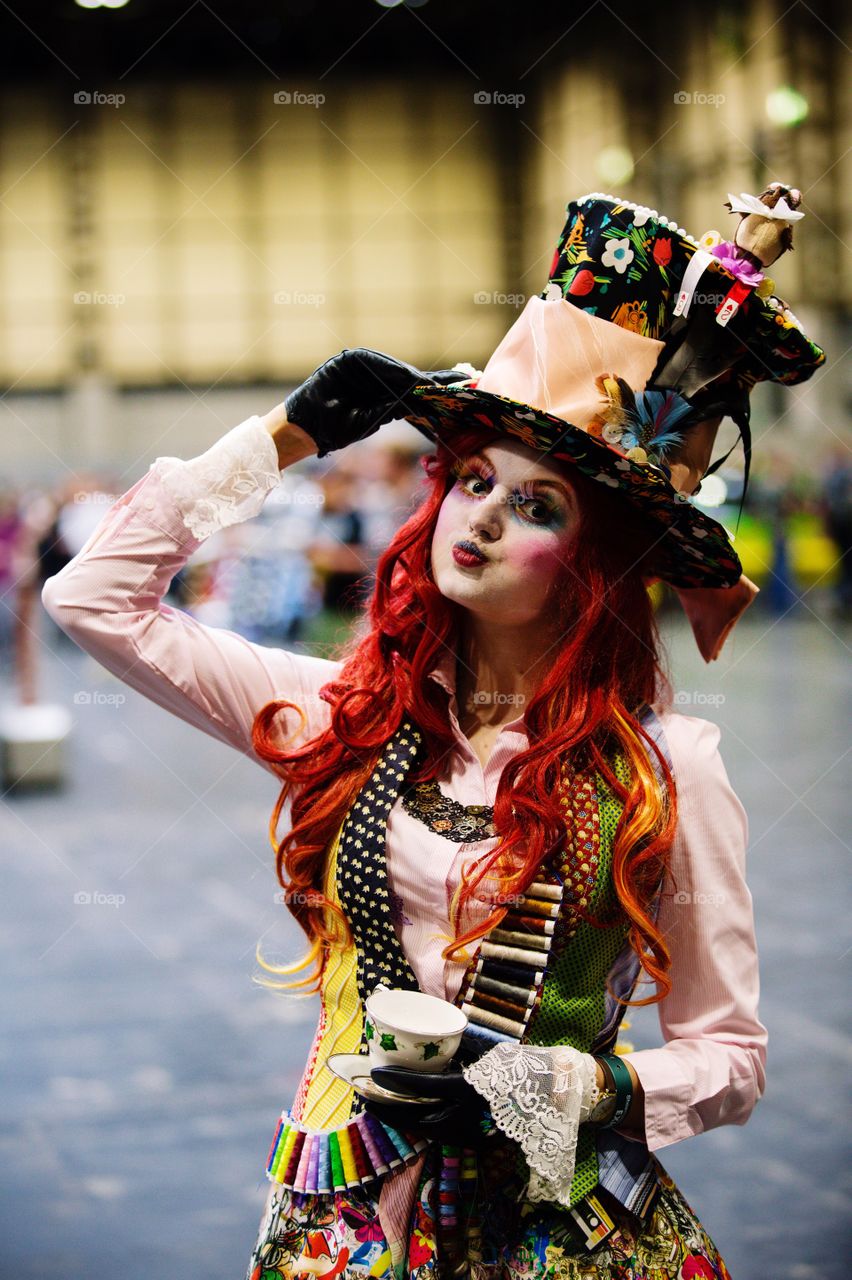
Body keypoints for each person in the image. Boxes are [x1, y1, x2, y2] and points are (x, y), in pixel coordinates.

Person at [41, 187, 824, 1279]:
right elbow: (93, 600)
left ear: (595, 561)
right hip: (342, 1229)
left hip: (562, 1237)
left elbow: (730, 1057)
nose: (485, 516)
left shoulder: (665, 767)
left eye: (539, 504)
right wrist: (283, 435)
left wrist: (571, 1085)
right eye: (472, 480)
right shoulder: (342, 715)